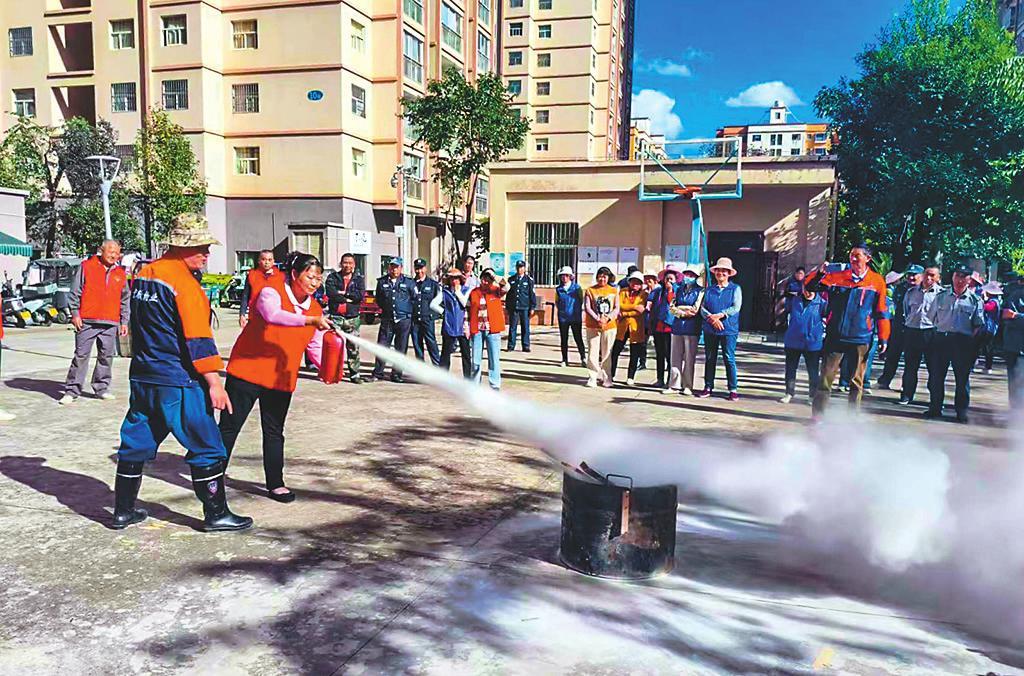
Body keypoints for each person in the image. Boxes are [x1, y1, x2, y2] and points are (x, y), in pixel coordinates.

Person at [112, 214, 251, 532]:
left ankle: (123, 510)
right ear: (179, 246)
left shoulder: (145, 274)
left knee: (136, 440)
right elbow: (198, 338)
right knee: (207, 445)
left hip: (144, 375)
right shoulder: (185, 285)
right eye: (200, 247)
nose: (206, 253)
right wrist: (214, 382)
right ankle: (216, 514)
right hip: (178, 378)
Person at [219, 252, 334, 501]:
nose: (315, 283)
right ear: (294, 274)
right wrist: (310, 320)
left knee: (274, 431)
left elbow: (314, 346)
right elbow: (273, 315)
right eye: (310, 277)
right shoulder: (271, 292)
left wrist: (329, 367)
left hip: (281, 377)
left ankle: (275, 483)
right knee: (230, 426)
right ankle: (213, 475)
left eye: (318, 278)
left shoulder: (315, 309)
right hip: (247, 371)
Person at [805, 243, 890, 416]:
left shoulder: (876, 281)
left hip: (861, 337)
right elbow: (810, 287)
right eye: (851, 254)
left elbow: (881, 312)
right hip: (836, 336)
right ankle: (818, 417)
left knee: (856, 382)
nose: (853, 258)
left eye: (857, 255)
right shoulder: (836, 277)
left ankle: (852, 418)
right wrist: (820, 273)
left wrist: (884, 338)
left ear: (868, 258)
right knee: (825, 379)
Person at [59, 240, 130, 405]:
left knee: (106, 356)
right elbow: (75, 292)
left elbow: (125, 299)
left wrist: (124, 321)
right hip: (87, 321)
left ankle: (101, 388)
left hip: (111, 322)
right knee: (81, 356)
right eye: (110, 251)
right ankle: (72, 391)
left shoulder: (120, 273)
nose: (113, 255)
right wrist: (75, 314)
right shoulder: (86, 267)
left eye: (117, 252)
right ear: (101, 251)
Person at [927, 264, 985, 423]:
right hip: (941, 339)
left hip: (962, 342)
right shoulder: (941, 296)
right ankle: (935, 408)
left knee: (962, 378)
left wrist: (968, 341)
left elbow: (978, 324)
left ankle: (961, 412)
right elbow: (932, 317)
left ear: (969, 280)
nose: (960, 280)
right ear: (952, 277)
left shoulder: (975, 300)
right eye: (957, 276)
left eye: (964, 277)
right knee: (937, 376)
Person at [697, 258, 743, 401]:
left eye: (724, 271)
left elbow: (736, 307)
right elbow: (702, 307)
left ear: (729, 273)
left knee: (729, 358)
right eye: (718, 270)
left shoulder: (735, 289)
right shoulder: (709, 290)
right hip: (710, 328)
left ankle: (733, 389)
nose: (721, 273)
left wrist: (721, 315)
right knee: (710, 358)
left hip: (728, 329)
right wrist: (711, 318)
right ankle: (708, 386)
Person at [897, 265, 942, 405]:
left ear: (938, 278)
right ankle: (907, 395)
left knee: (934, 367)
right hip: (912, 331)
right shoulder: (911, 292)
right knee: (910, 366)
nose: (929, 278)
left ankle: (935, 400)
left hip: (931, 332)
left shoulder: (941, 294)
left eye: (933, 275)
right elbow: (906, 310)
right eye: (927, 274)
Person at [877, 264, 924, 390]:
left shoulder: (923, 291)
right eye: (909, 275)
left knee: (911, 360)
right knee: (892, 355)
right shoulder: (900, 288)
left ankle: (906, 386)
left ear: (921, 276)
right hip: (898, 326)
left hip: (914, 328)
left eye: (914, 275)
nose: (911, 278)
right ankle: (885, 380)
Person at [780, 284, 827, 404]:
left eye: (811, 290)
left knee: (813, 371)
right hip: (793, 340)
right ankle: (789, 392)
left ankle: (812, 395)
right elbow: (785, 311)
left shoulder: (821, 303)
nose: (808, 292)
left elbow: (827, 318)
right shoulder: (794, 300)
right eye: (806, 289)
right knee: (790, 369)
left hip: (812, 342)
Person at [372, 258, 416, 383]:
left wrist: (407, 312)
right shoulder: (382, 282)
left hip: (403, 319)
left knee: (401, 347)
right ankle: (378, 373)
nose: (394, 270)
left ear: (401, 268)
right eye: (392, 267)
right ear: (389, 268)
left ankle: (397, 374)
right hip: (387, 319)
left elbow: (414, 299)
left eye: (396, 267)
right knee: (382, 346)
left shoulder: (409, 282)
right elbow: (379, 299)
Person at [323, 252, 366, 383]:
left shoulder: (359, 279)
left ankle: (354, 374)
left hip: (352, 318)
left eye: (350, 263)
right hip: (336, 317)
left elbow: (359, 296)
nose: (347, 265)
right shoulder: (333, 277)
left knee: (353, 348)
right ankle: (334, 373)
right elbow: (331, 293)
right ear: (341, 264)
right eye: (345, 262)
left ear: (354, 265)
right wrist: (347, 297)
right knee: (335, 347)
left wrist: (343, 294)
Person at [668, 265, 704, 396]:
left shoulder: (700, 291)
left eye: (692, 275)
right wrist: (683, 312)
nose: (689, 277)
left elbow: (695, 309)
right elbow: (672, 307)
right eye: (687, 274)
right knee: (675, 357)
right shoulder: (678, 290)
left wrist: (681, 309)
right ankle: (674, 385)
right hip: (677, 326)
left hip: (692, 328)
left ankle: (687, 385)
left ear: (696, 277)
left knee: (689, 358)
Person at [468, 268, 507, 390]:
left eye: (488, 279)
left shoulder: (496, 291)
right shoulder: (474, 292)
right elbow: (467, 308)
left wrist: (495, 277)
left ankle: (494, 385)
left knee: (494, 359)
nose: (485, 281)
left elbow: (507, 287)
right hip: (477, 330)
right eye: (484, 279)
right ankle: (475, 385)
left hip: (492, 330)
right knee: (475, 360)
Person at [609, 271, 649, 386]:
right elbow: (620, 305)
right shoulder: (622, 292)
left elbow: (640, 311)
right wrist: (634, 307)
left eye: (638, 282)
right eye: (633, 281)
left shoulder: (644, 294)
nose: (635, 284)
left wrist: (625, 313)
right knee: (615, 351)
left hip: (636, 327)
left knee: (634, 353)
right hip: (622, 326)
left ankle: (630, 377)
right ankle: (611, 374)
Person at [584, 266, 620, 388]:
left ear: (608, 278)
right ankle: (592, 377)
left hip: (609, 326)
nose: (602, 279)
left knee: (607, 353)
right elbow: (587, 307)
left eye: (604, 277)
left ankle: (607, 377)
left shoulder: (614, 290)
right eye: (600, 276)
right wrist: (597, 318)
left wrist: (608, 317)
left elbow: (617, 308)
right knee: (592, 352)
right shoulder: (590, 290)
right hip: (593, 325)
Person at [646, 266, 679, 391]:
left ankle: (671, 380)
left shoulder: (677, 291)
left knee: (669, 355)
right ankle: (660, 378)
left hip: (670, 327)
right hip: (658, 326)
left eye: (671, 279)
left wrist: (670, 290)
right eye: (667, 279)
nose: (668, 281)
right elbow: (650, 302)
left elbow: (673, 304)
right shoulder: (658, 291)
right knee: (659, 354)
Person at [437, 268, 472, 377]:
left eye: (456, 278)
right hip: (449, 325)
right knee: (445, 353)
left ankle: (468, 378)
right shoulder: (445, 292)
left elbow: (465, 303)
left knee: (466, 354)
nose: (454, 280)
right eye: (452, 278)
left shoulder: (467, 290)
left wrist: (457, 292)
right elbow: (433, 304)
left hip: (463, 326)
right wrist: (443, 312)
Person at [410, 258, 442, 366]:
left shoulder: (433, 284)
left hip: (427, 319)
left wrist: (435, 315)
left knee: (431, 343)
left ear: (425, 268)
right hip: (414, 320)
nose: (419, 271)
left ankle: (437, 367)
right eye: (417, 269)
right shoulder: (411, 284)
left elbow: (439, 301)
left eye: (421, 268)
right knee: (417, 345)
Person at [555, 266, 586, 367]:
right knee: (564, 339)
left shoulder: (577, 288)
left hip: (575, 317)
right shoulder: (558, 289)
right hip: (563, 318)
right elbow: (557, 302)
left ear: (570, 277)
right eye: (562, 276)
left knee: (578, 338)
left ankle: (583, 358)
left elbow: (581, 300)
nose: (564, 277)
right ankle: (564, 359)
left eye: (566, 275)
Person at [1001, 272, 1024, 406]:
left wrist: (1016, 316)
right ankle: (1016, 412)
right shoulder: (1015, 296)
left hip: (1014, 344)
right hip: (1014, 345)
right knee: (1015, 382)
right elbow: (1006, 315)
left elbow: (1011, 316)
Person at [505, 259, 536, 352]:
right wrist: (507, 307)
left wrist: (532, 307)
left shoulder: (529, 280)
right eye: (518, 267)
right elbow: (508, 295)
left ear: (524, 268)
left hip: (525, 307)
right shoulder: (511, 279)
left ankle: (526, 345)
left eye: (521, 267)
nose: (520, 269)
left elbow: (532, 294)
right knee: (512, 327)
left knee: (525, 327)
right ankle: (511, 345)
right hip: (514, 307)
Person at [978, 281, 1002, 374]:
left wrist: (981, 300)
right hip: (989, 328)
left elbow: (986, 307)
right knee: (986, 347)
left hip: (989, 328)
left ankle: (988, 367)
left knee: (988, 347)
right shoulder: (994, 301)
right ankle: (987, 366)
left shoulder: (993, 302)